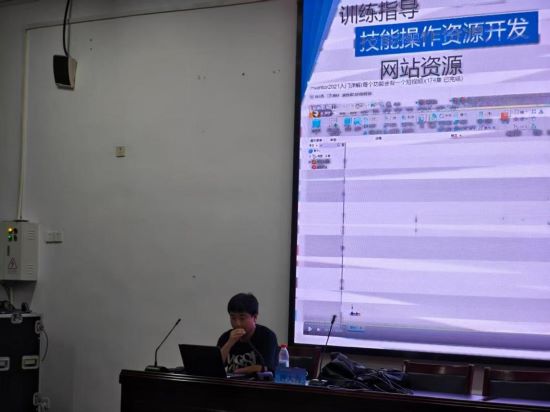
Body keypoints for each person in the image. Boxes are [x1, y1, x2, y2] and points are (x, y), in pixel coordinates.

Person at [217, 293, 278, 374]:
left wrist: (237, 372)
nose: (237, 323)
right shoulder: (225, 337)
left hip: (257, 382)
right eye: (233, 318)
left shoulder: (267, 336)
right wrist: (229, 343)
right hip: (231, 381)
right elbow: (215, 366)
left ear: (255, 317)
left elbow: (267, 367)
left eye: (242, 318)